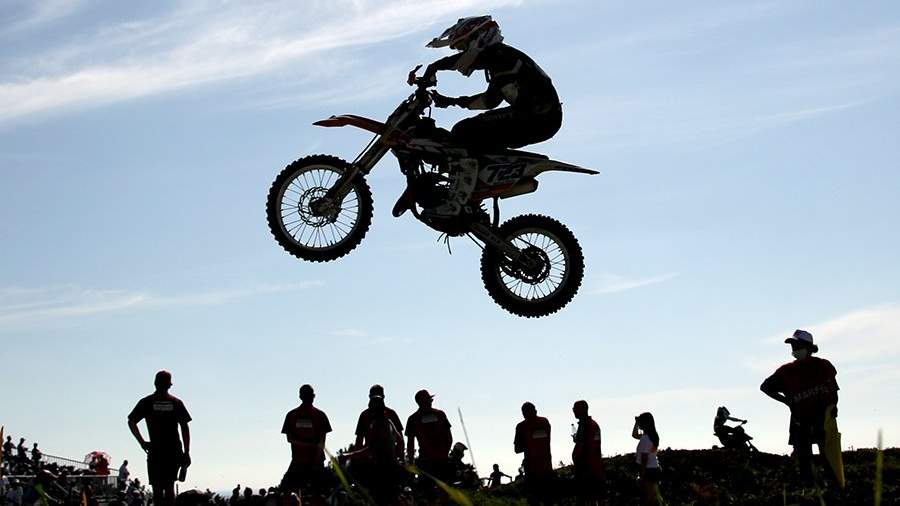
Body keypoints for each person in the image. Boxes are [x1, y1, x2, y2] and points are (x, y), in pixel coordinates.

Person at [420, 15, 563, 217]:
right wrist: (452, 101)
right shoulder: (502, 60)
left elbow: (486, 95)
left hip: (537, 116)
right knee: (475, 137)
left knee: (464, 130)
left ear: (479, 37)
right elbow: (490, 101)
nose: (463, 52)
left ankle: (457, 201)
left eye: (463, 46)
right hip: (540, 116)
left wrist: (434, 68)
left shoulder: (500, 55)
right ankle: (477, 188)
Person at [760, 329, 840, 486]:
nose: (794, 349)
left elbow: (834, 389)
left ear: (809, 347)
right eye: (792, 345)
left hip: (823, 418)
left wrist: (834, 406)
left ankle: (833, 485)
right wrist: (787, 401)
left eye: (797, 345)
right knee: (804, 457)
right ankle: (808, 488)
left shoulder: (823, 366)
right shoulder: (786, 371)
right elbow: (765, 387)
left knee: (828, 455)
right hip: (800, 419)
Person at [127, 370, 192, 506]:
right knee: (169, 487)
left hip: (156, 450)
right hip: (173, 450)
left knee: (157, 489)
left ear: (155, 383)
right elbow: (185, 428)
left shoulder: (147, 402)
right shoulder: (176, 402)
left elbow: (131, 421)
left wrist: (142, 442)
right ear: (169, 385)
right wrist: (186, 452)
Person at [280, 384, 332, 501]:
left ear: (300, 396)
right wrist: (313, 452)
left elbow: (290, 439)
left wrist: (307, 448)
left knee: (290, 492)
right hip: (307, 461)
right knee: (316, 495)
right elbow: (321, 442)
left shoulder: (292, 415)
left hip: (302, 461)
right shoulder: (319, 415)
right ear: (314, 396)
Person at [406, 389, 453, 498]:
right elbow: (449, 438)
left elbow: (410, 445)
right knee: (442, 493)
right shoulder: (440, 415)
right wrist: (445, 454)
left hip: (426, 461)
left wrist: (412, 463)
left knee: (427, 494)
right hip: (438, 461)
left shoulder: (413, 418)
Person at [514, 402, 553, 505]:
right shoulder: (543, 422)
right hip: (545, 468)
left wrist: (526, 442)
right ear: (535, 411)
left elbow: (517, 449)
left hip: (533, 470)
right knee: (547, 500)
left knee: (535, 500)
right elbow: (542, 441)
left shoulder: (522, 426)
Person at [571, 401, 604, 506]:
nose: (573, 411)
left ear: (583, 409)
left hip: (586, 471)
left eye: (575, 408)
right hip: (596, 469)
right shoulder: (594, 424)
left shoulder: (584, 425)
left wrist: (575, 458)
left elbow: (581, 447)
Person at [353, 384, 404, 449]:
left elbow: (400, 440)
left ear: (383, 397)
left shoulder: (391, 414)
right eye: (374, 398)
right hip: (370, 452)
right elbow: (359, 440)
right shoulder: (364, 415)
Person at [632, 412, 661, 506]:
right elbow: (634, 435)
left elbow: (644, 458)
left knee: (649, 500)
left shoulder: (645, 438)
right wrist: (636, 423)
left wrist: (641, 475)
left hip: (648, 471)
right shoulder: (651, 436)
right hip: (653, 469)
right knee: (653, 498)